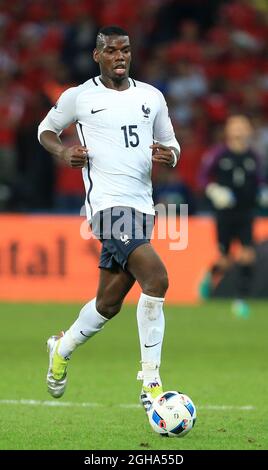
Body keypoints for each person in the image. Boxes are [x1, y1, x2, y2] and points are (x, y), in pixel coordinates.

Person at [38, 26, 180, 413]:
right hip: (106, 208)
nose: (120, 57)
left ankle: (61, 347)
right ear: (97, 56)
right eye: (112, 51)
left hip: (142, 207)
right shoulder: (79, 97)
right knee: (157, 278)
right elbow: (46, 130)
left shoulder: (152, 97)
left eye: (126, 50)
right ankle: (150, 383)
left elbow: (171, 142)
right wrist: (64, 153)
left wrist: (171, 155)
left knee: (108, 303)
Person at [199, 114, 267, 316]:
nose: (239, 130)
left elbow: (259, 179)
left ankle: (240, 299)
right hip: (225, 214)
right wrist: (213, 190)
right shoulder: (218, 154)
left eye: (242, 126)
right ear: (228, 131)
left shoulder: (253, 156)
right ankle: (209, 278)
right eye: (235, 126)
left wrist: (262, 191)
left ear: (248, 131)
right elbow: (202, 177)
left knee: (248, 256)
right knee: (225, 259)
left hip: (246, 213)